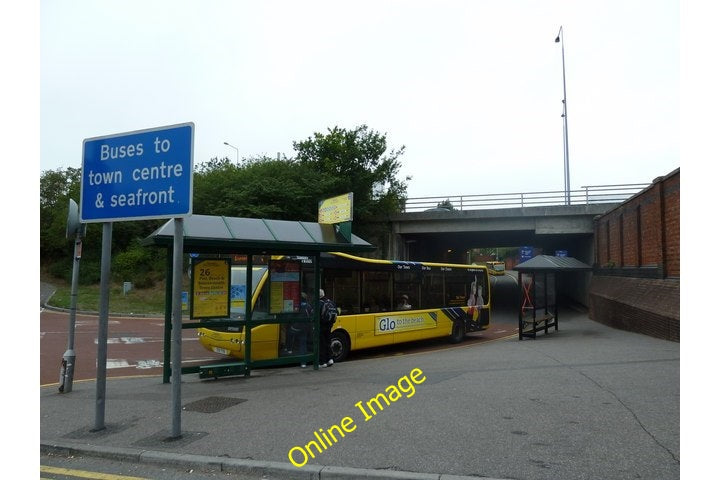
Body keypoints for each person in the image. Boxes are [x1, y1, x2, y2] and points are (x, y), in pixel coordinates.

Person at [289, 292, 313, 367]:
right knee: (303, 344)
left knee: (290, 336)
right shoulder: (308, 306)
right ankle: (303, 362)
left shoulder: (296, 305)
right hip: (304, 328)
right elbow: (311, 317)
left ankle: (289, 350)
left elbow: (291, 316)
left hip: (295, 327)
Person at [318, 289, 337, 367]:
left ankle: (322, 362)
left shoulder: (319, 303)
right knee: (328, 342)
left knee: (321, 343)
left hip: (321, 325)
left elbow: (316, 314)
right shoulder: (330, 302)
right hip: (329, 325)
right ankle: (330, 359)